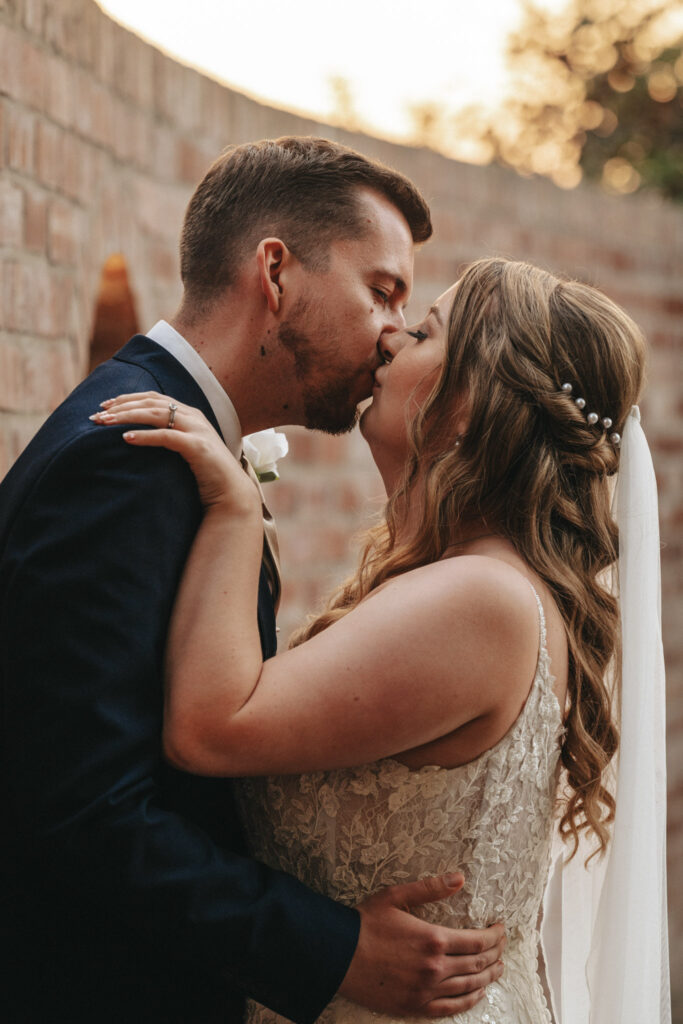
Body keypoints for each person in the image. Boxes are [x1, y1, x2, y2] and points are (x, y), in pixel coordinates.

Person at [0, 138, 506, 1024]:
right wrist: (329, 949)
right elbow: (80, 809)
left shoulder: (183, 451)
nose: (394, 329)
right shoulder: (128, 459)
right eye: (381, 291)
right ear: (275, 271)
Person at [94, 255, 670, 1023]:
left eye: (426, 331)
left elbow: (210, 728)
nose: (392, 339)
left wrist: (233, 513)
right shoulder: (480, 582)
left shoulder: (480, 597)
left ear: (471, 404)